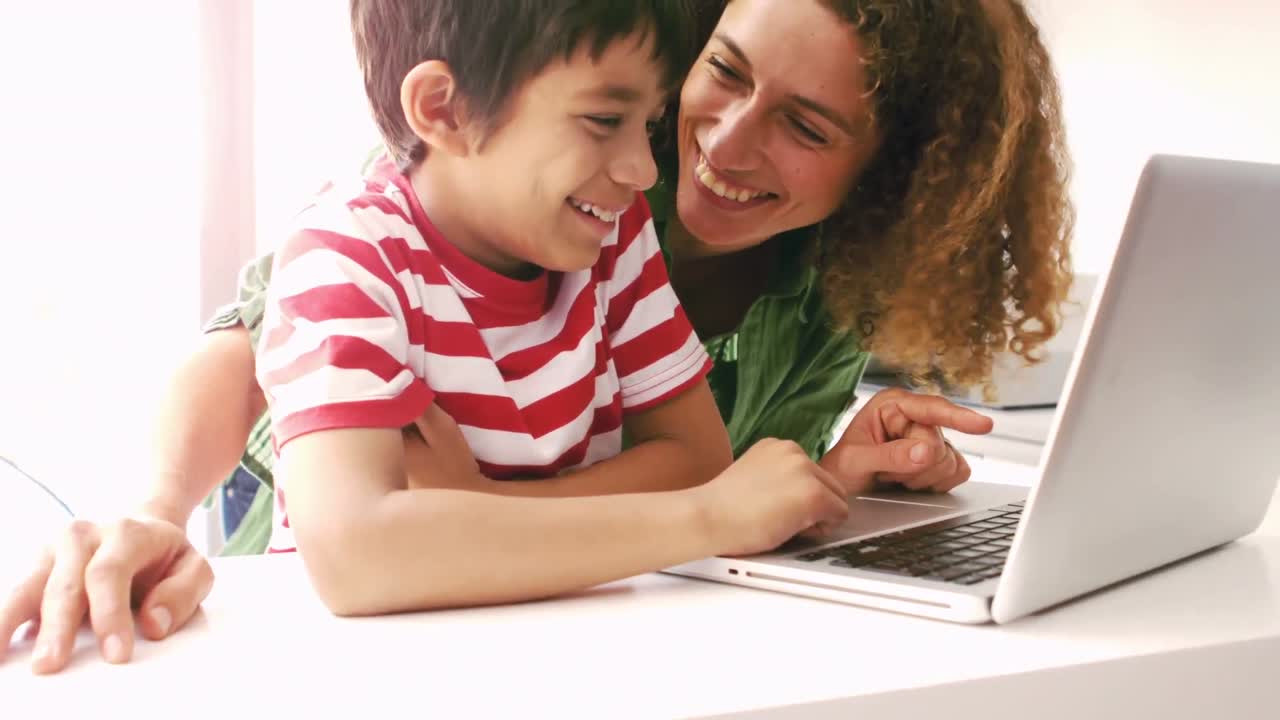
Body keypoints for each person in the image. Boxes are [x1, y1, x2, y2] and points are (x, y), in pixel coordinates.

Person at [1, 0, 1073, 673]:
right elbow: (324, 481)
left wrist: (812, 482)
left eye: (804, 125)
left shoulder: (651, 247)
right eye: (725, 72)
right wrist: (154, 508)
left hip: (585, 637)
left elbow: (706, 471)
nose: (693, 152)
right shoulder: (503, 193)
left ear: (879, 176)